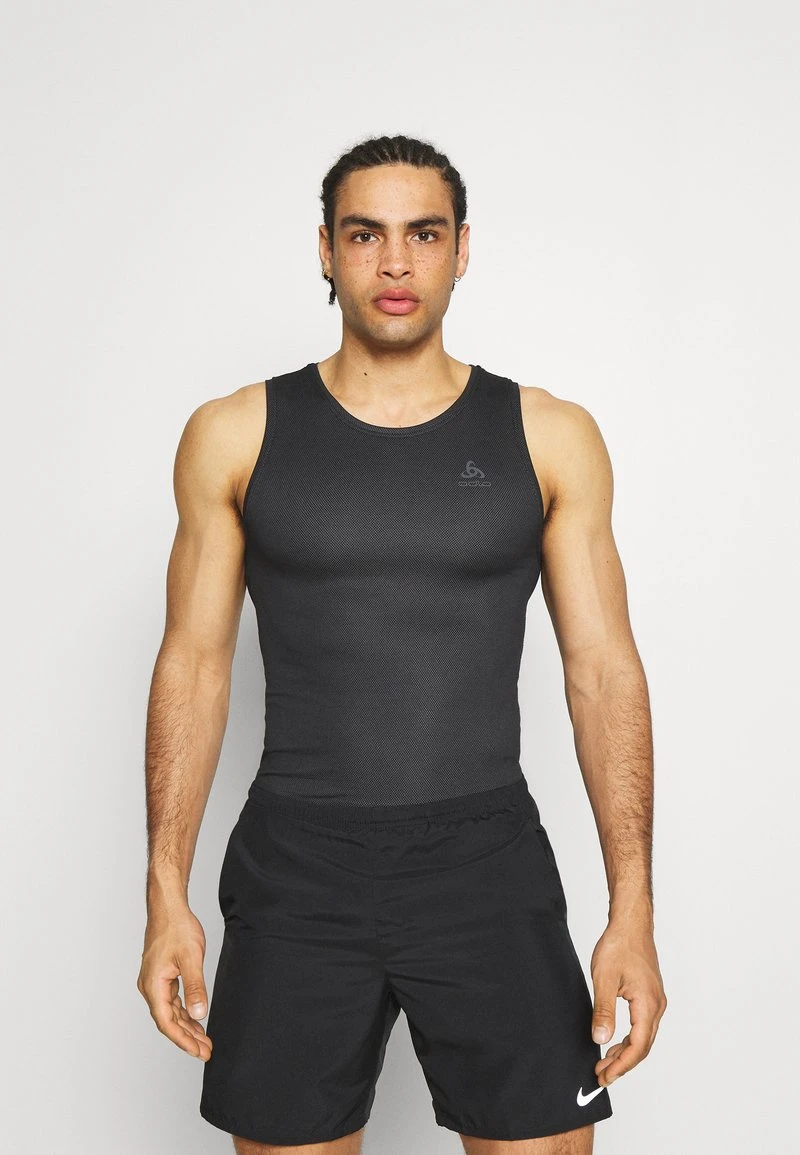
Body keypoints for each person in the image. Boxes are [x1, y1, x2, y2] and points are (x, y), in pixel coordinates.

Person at [137, 133, 667, 1155]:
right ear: (325, 251)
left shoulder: (548, 435)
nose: (393, 262)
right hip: (298, 870)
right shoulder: (234, 433)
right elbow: (192, 667)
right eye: (364, 235)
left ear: (461, 250)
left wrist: (631, 910)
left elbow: (603, 674)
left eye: (422, 235)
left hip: (486, 866)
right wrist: (166, 895)